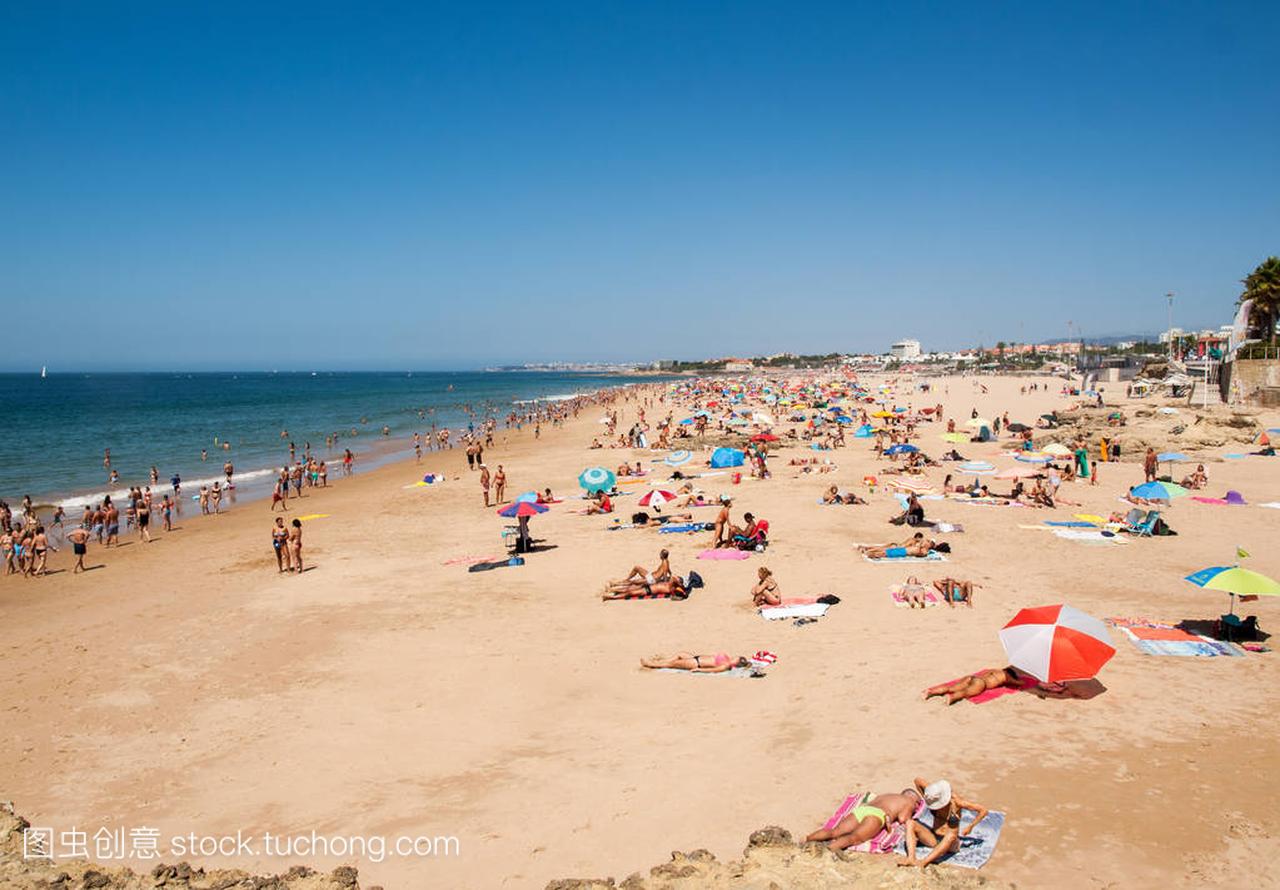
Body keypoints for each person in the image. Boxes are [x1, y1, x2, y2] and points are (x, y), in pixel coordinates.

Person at [898, 779, 990, 869]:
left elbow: (983, 810)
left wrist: (970, 827)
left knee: (951, 835)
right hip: (933, 839)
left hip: (951, 844)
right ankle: (911, 858)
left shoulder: (957, 802)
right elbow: (917, 781)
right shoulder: (933, 795)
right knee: (910, 823)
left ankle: (924, 862)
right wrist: (926, 797)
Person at [806, 789, 924, 851]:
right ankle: (829, 850)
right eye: (917, 802)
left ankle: (807, 839)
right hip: (877, 815)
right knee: (854, 838)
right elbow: (903, 819)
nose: (916, 805)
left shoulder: (886, 795)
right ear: (912, 797)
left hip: (862, 810)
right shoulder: (909, 802)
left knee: (834, 831)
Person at [923, 666, 1027, 704]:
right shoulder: (1006, 677)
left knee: (951, 687)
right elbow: (1020, 683)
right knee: (964, 693)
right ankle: (952, 698)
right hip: (981, 684)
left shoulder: (995, 670)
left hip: (972, 677)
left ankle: (931, 691)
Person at [640, 651, 749, 672]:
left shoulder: (726, 665)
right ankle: (661, 661)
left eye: (737, 658)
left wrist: (698, 670)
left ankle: (650, 664)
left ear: (736, 662)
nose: (735, 657)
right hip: (695, 658)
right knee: (680, 654)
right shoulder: (727, 658)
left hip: (696, 663)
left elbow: (714, 669)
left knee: (671, 664)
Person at [859, 532, 934, 559]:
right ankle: (867, 551)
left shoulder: (924, 551)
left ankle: (867, 551)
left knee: (883, 551)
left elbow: (919, 553)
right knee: (883, 550)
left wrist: (920, 545)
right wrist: (920, 545)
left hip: (902, 550)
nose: (926, 541)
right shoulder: (913, 541)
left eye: (928, 542)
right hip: (901, 548)